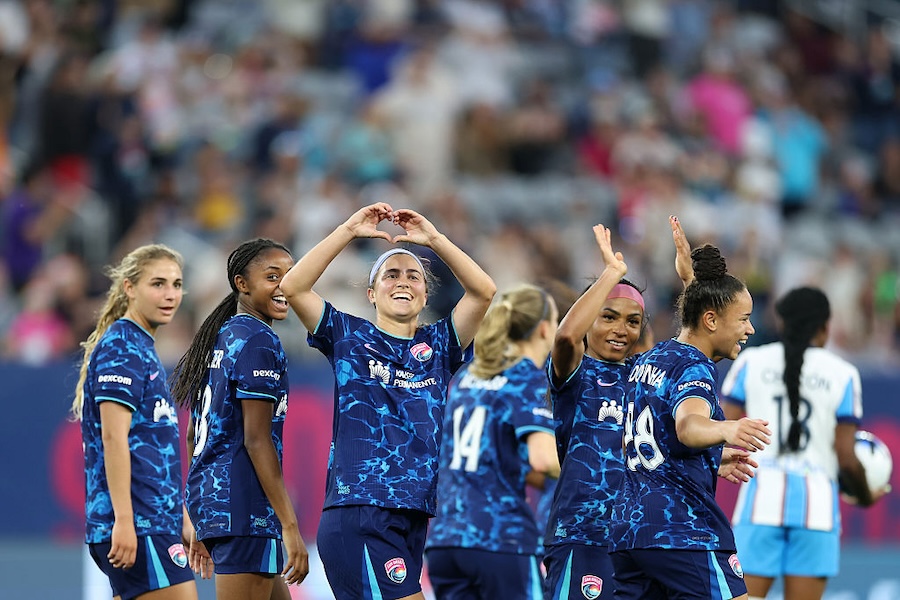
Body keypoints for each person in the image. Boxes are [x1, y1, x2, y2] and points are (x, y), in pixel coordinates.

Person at [280, 202, 496, 600]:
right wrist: (347, 230)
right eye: (391, 275)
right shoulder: (347, 335)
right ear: (371, 293)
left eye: (413, 276)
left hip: (412, 515)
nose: (403, 282)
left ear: (425, 292)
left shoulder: (440, 344)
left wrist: (434, 240)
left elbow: (484, 291)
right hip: (360, 511)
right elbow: (293, 286)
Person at [610, 241, 772, 600]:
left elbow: (663, 436)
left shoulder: (654, 357)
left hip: (629, 530)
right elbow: (688, 425)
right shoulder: (695, 366)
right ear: (711, 320)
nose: (750, 330)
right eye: (744, 319)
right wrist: (729, 428)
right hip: (681, 529)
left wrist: (715, 455)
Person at [542, 217, 688, 600]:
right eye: (608, 317)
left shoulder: (646, 380)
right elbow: (567, 336)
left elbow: (690, 354)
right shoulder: (577, 374)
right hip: (581, 535)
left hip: (638, 540)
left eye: (632, 321)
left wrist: (690, 285)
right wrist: (612, 274)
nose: (620, 329)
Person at [721, 286, 889, 600]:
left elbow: (720, 430)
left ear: (782, 323)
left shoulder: (750, 362)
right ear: (825, 327)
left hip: (760, 504)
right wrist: (865, 496)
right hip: (818, 511)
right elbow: (847, 457)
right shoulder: (844, 374)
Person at [169, 238, 309, 599]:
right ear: (241, 284)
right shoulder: (259, 340)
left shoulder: (219, 337)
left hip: (219, 502)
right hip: (244, 508)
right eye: (273, 276)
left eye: (291, 276)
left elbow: (191, 434)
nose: (285, 286)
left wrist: (200, 511)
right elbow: (256, 438)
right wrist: (290, 526)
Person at [72, 243, 202, 600]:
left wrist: (182, 519)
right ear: (129, 288)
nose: (170, 294)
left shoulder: (141, 346)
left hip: (156, 522)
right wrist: (125, 522)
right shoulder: (122, 347)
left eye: (176, 285)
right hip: (140, 525)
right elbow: (114, 440)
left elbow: (155, 453)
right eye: (157, 283)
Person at [425, 284, 561, 599]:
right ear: (543, 329)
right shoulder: (525, 376)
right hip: (500, 538)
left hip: (446, 542)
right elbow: (543, 460)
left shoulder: (467, 376)